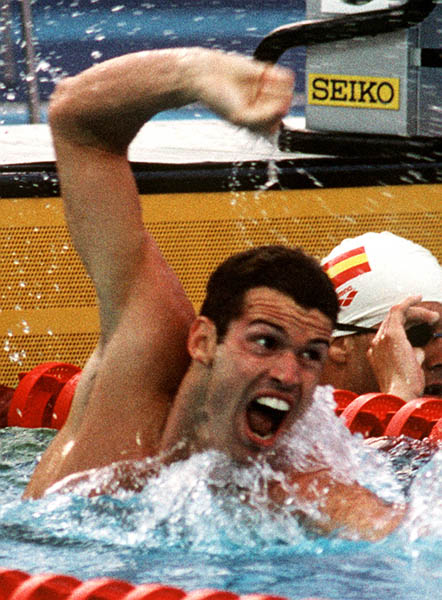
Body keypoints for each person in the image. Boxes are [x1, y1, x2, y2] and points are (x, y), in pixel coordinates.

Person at [24, 47, 405, 541]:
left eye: (311, 355)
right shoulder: (144, 352)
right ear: (203, 340)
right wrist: (195, 76)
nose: (290, 376)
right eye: (264, 343)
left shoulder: (296, 487)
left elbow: (396, 534)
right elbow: (78, 122)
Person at [321, 232, 442, 401]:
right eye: (416, 335)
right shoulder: (282, 420)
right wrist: (400, 392)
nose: (439, 359)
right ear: (339, 343)